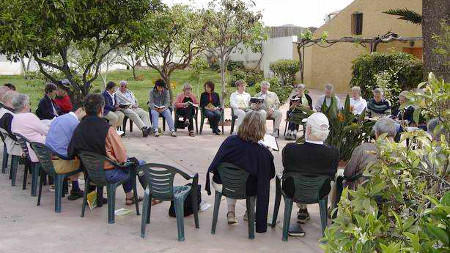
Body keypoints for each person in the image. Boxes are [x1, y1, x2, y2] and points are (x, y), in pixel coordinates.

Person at [67, 93, 144, 205]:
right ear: (101, 109)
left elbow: (71, 151)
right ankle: (137, 196)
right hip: (108, 174)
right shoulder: (108, 129)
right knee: (136, 164)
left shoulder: (79, 127)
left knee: (128, 163)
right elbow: (122, 158)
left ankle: (129, 196)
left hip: (89, 173)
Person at [206, 111, 275, 233]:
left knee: (233, 176)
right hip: (247, 189)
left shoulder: (230, 141)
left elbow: (216, 163)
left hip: (223, 184)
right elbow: (269, 175)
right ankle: (250, 212)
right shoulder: (263, 153)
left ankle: (231, 211)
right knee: (254, 180)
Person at [282, 112, 339, 230]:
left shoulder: (290, 149)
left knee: (296, 177)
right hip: (320, 193)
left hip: (292, 192)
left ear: (308, 130)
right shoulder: (333, 152)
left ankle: (302, 209)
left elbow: (286, 168)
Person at [45, 106, 87, 200]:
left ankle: (75, 189)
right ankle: (89, 193)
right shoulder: (75, 123)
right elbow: (80, 144)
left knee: (74, 156)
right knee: (87, 162)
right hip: (60, 163)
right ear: (80, 110)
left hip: (48, 160)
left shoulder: (59, 118)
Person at [344, 117, 397, 188]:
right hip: (391, 196)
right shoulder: (402, 153)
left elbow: (348, 173)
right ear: (395, 134)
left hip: (363, 194)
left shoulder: (363, 149)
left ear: (376, 134)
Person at [11, 94, 48, 164]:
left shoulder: (14, 119)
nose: (29, 105)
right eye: (29, 103)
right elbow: (46, 132)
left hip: (28, 151)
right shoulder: (30, 116)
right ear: (25, 105)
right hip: (40, 151)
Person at [0, 90, 22, 158]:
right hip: (15, 145)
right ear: (10, 100)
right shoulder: (7, 115)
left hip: (11, 142)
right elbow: (14, 135)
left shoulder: (4, 111)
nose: (19, 102)